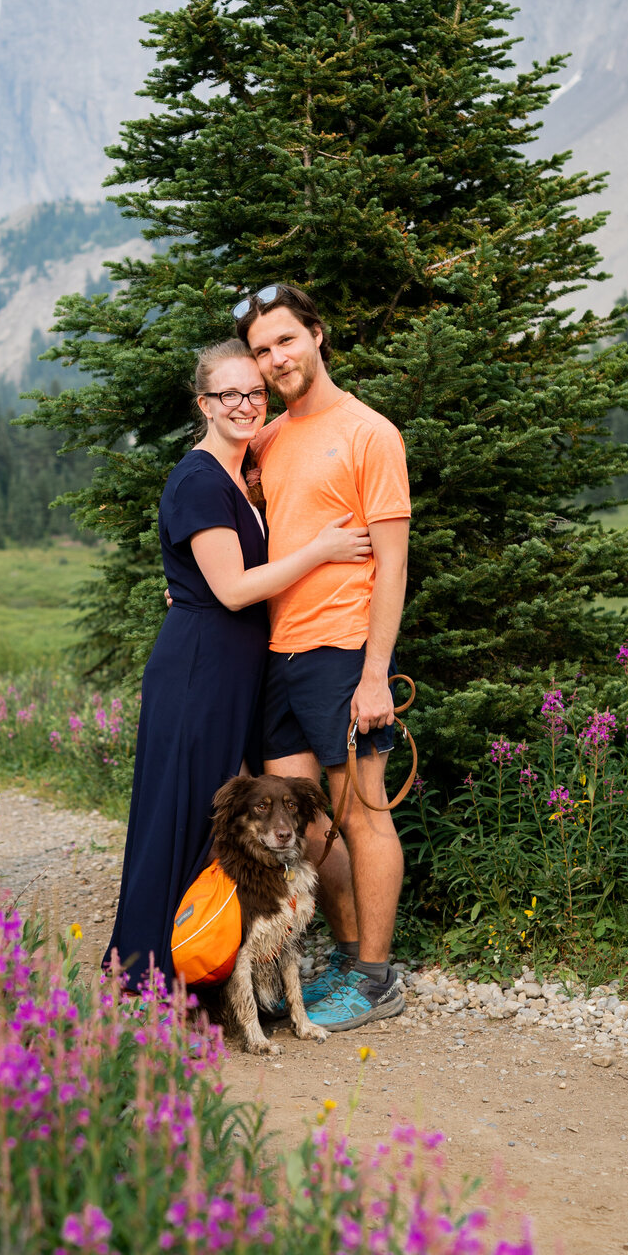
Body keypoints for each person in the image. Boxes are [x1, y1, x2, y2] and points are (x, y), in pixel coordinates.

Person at [105, 336, 371, 989]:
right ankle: (152, 976)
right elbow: (230, 589)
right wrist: (322, 549)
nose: (246, 404)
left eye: (254, 391)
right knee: (189, 817)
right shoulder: (199, 477)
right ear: (204, 403)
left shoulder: (238, 474)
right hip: (199, 673)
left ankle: (204, 966)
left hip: (228, 671)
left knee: (215, 818)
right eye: (229, 394)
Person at [236, 283, 412, 1032]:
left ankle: (375, 979)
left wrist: (376, 672)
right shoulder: (269, 439)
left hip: (342, 651)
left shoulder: (371, 433)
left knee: (363, 814)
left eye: (285, 341)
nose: (275, 359)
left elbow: (394, 563)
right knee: (308, 827)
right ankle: (342, 953)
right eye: (260, 351)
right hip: (280, 651)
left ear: (316, 334)